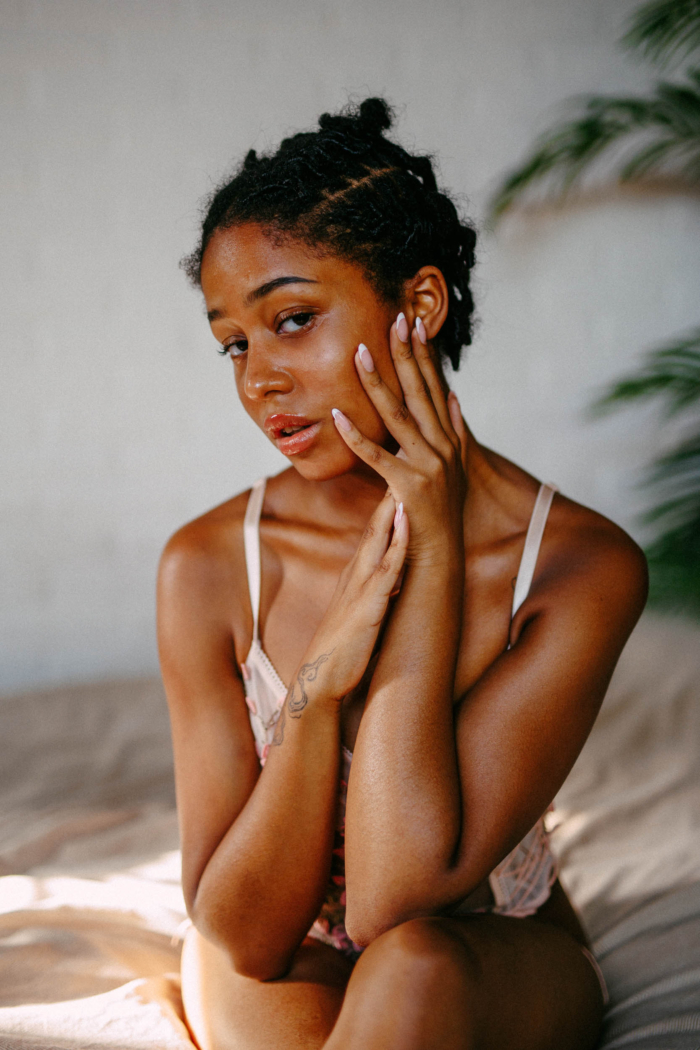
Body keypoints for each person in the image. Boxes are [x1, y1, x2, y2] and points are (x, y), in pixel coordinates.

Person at [157, 98, 647, 1050]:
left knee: (412, 965)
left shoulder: (579, 567)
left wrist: (430, 551)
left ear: (419, 305)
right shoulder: (210, 566)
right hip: (278, 944)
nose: (257, 379)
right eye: (235, 342)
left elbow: (393, 902)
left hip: (484, 952)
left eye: (291, 319)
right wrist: (317, 685)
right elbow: (243, 931)